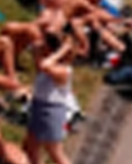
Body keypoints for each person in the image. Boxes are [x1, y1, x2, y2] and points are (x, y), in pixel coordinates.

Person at [21, 32, 80, 164]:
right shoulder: (50, 64)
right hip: (38, 107)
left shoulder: (64, 70)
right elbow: (40, 66)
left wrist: (62, 50)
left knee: (54, 151)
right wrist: (37, 50)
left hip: (51, 112)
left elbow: (44, 66)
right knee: (31, 147)